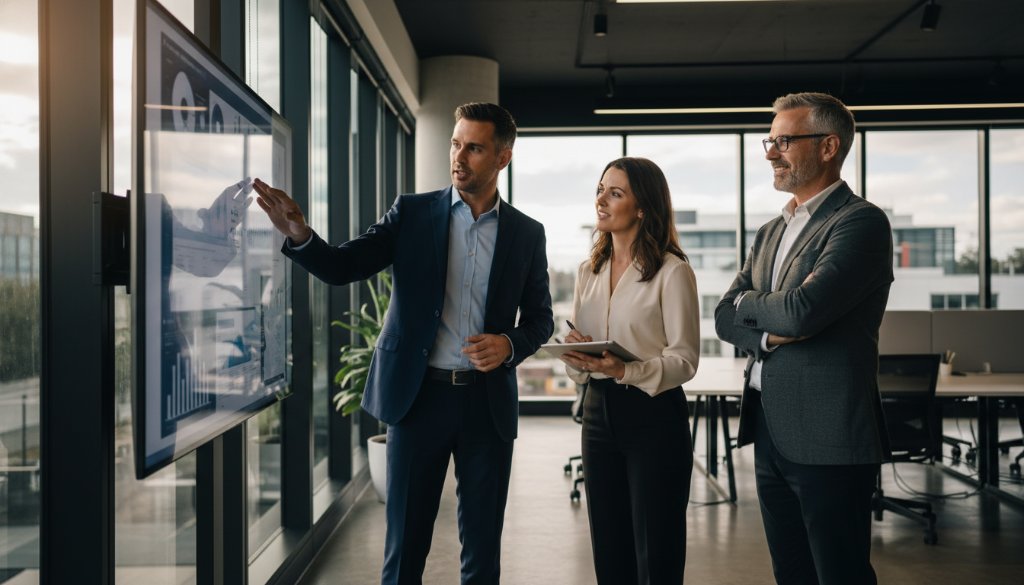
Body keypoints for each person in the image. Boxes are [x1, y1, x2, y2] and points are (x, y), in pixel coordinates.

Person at [252, 102, 553, 585]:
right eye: (455, 143)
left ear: (502, 158)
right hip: (418, 400)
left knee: (482, 553)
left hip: (486, 404)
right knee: (404, 552)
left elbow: (541, 320)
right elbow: (343, 266)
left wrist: (508, 344)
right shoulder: (412, 214)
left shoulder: (526, 234)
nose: (459, 156)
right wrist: (301, 235)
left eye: (474, 148)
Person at [714, 92, 894, 585]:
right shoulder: (772, 230)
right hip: (771, 429)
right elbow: (722, 317)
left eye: (785, 141)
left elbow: (802, 311)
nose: (771, 152)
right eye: (769, 141)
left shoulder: (859, 222)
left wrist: (753, 307)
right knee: (791, 572)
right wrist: (769, 332)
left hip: (829, 432)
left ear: (829, 146)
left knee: (839, 573)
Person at [558, 157, 699, 585]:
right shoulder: (590, 271)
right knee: (609, 543)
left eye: (615, 192)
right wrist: (578, 361)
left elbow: (686, 360)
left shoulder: (672, 271)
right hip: (598, 414)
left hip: (654, 415)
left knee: (655, 548)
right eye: (601, 189)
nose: (601, 199)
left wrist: (626, 370)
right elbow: (584, 365)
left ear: (642, 208)